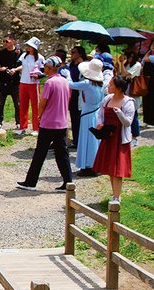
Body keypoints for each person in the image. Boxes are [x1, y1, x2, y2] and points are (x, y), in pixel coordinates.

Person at [16, 56, 74, 191]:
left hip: (48, 123)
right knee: (62, 153)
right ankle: (68, 181)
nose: (44, 69)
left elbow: (43, 101)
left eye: (46, 67)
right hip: (62, 122)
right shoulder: (65, 82)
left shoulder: (50, 82)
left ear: (50, 68)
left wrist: (39, 115)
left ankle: (31, 182)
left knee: (40, 153)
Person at [93, 75, 136, 204]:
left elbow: (128, 122)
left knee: (118, 169)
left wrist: (119, 113)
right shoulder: (107, 99)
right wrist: (99, 123)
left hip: (119, 138)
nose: (108, 86)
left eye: (111, 84)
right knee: (111, 168)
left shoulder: (128, 102)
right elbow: (100, 114)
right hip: (108, 136)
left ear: (118, 88)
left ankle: (117, 197)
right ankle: (114, 194)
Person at [68, 58, 104, 176]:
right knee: (94, 141)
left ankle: (88, 166)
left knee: (87, 140)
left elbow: (71, 85)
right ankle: (95, 164)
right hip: (96, 113)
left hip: (87, 115)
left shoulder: (87, 84)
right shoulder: (100, 84)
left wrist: (66, 74)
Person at [17, 37, 45, 134]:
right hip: (23, 82)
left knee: (35, 106)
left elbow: (43, 71)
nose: (27, 47)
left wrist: (38, 76)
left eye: (29, 46)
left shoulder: (40, 58)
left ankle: (36, 128)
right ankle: (22, 127)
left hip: (34, 84)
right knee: (23, 105)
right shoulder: (24, 55)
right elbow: (18, 64)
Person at [0, 35, 21, 130]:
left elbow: (23, 65)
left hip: (15, 82)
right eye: (4, 41)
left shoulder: (19, 52)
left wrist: (15, 70)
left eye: (7, 41)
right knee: (1, 103)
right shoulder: (1, 52)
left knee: (17, 104)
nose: (5, 43)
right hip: (3, 81)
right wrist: (1, 69)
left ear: (13, 41)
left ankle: (18, 122)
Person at [120, 47, 142, 144]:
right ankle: (127, 135)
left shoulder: (137, 65)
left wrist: (121, 63)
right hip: (126, 92)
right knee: (125, 114)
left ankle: (135, 137)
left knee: (134, 114)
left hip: (133, 92)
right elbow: (121, 75)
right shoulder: (127, 64)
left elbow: (126, 74)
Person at [67, 45, 86, 147]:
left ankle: (82, 140)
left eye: (74, 52)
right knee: (73, 117)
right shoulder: (71, 65)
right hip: (72, 93)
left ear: (80, 54)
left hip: (80, 93)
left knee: (81, 117)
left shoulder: (84, 66)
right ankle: (76, 140)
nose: (71, 54)